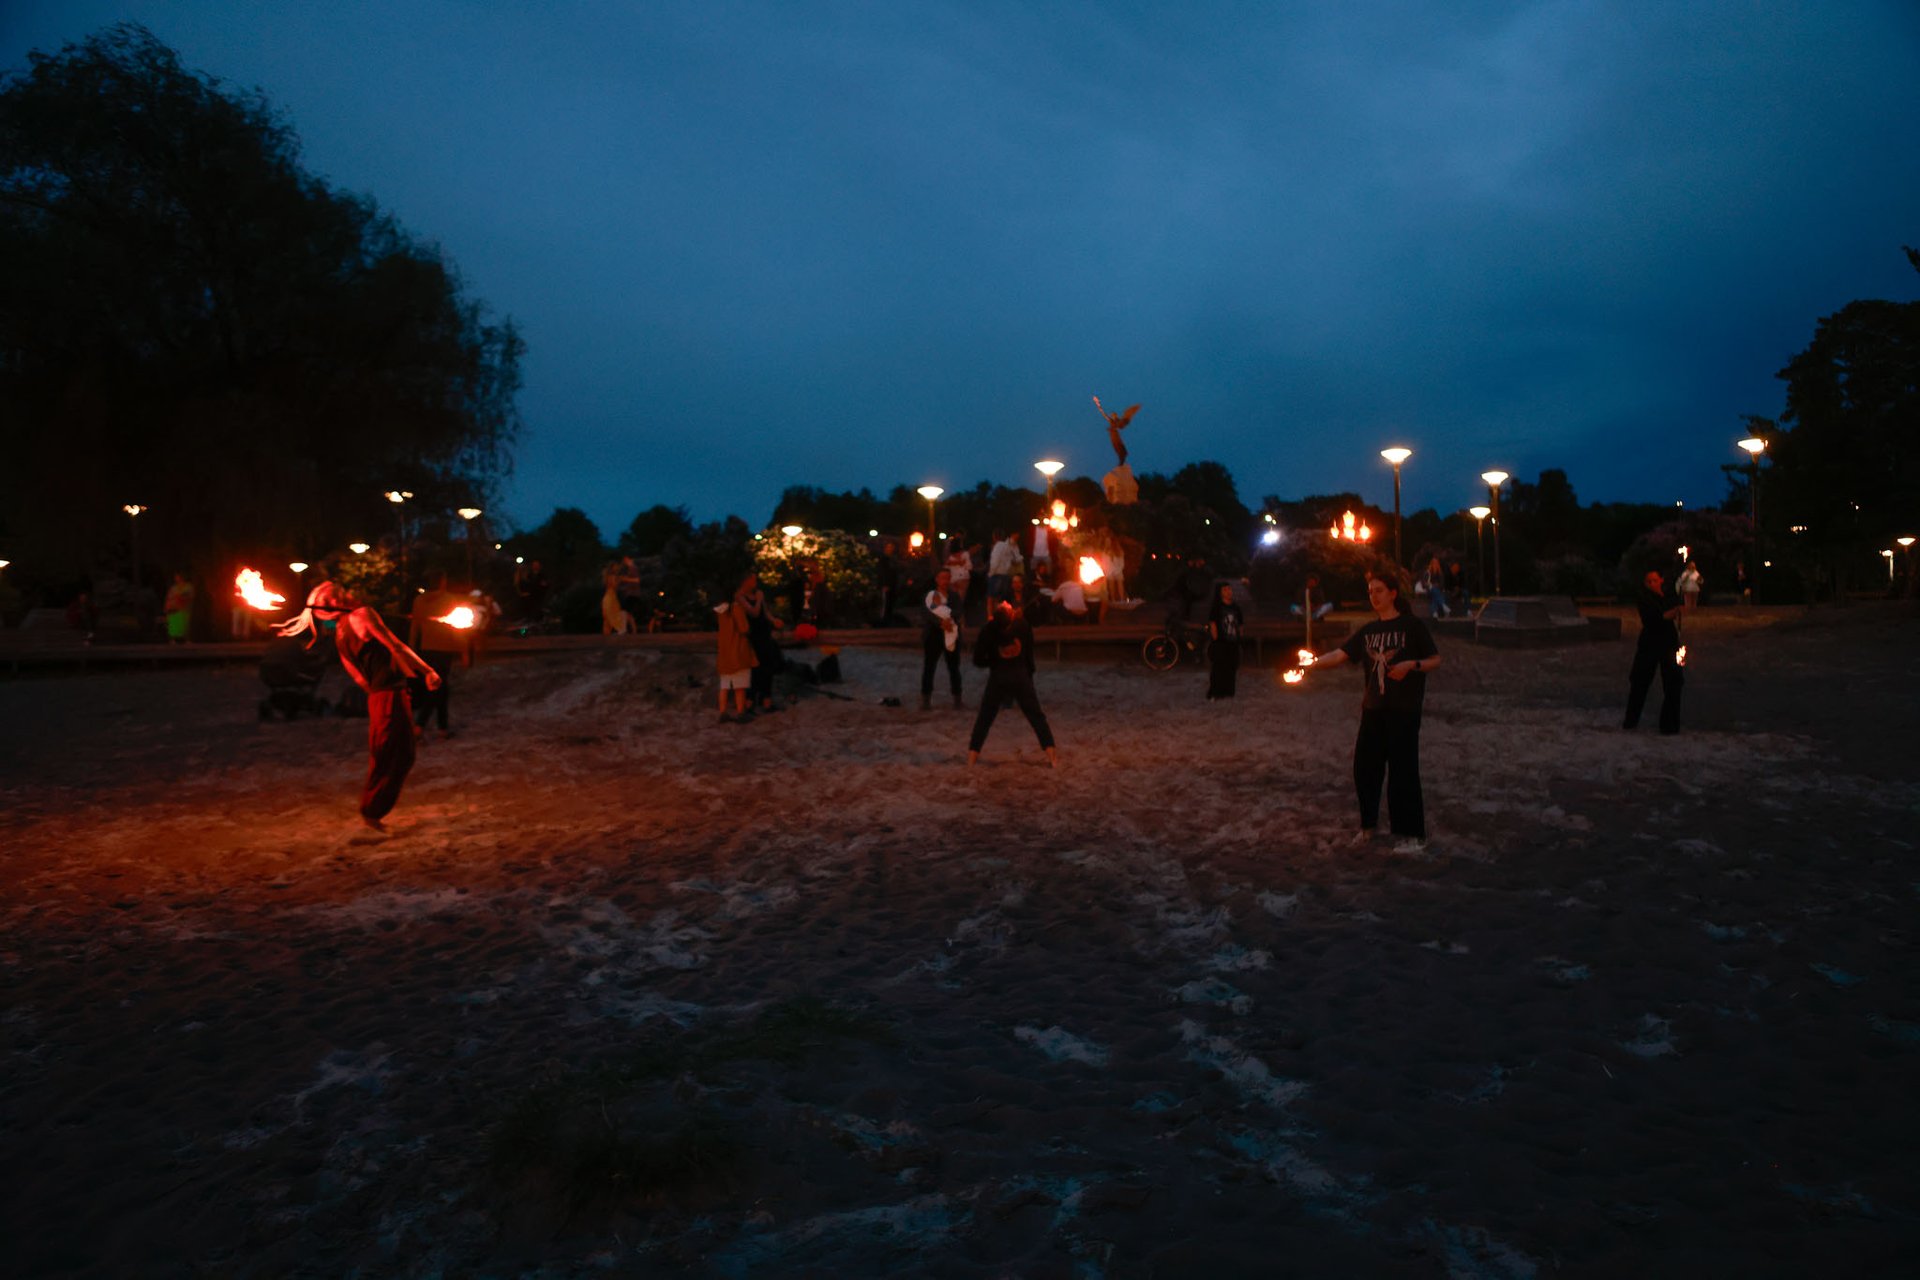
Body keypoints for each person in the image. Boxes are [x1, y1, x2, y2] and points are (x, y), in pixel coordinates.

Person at [277, 582, 442, 830]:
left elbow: (357, 676)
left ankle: (372, 810)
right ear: (333, 604)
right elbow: (395, 645)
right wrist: (427, 671)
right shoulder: (363, 614)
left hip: (379, 695)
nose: (345, 594)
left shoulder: (340, 631)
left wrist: (379, 693)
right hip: (388, 694)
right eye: (338, 594)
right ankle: (372, 811)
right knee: (398, 754)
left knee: (387, 752)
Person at [1307, 572, 1441, 849]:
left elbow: (1434, 659)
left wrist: (1411, 665)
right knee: (1365, 769)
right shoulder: (1369, 631)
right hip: (1373, 709)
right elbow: (1340, 655)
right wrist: (1311, 663)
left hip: (1403, 710)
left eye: (1379, 590)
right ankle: (1368, 826)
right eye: (1370, 592)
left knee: (1403, 772)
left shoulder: (1412, 626)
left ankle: (1411, 834)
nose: (1374, 596)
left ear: (1393, 593)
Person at [967, 594, 1057, 767]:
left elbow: (977, 660)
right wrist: (1029, 676)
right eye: (1006, 606)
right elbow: (1029, 655)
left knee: (985, 718)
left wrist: (994, 661)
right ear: (1011, 616)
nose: (1006, 602)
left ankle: (971, 758)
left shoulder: (989, 629)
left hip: (998, 678)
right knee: (1036, 716)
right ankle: (1052, 757)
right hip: (1020, 677)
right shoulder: (1022, 626)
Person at [1623, 568, 1685, 735]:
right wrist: (1673, 612)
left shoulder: (1667, 596)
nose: (1652, 583)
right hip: (1650, 644)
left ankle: (1669, 725)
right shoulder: (1645, 599)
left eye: (1655, 580)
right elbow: (1657, 617)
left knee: (1673, 682)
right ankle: (1631, 720)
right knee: (1640, 682)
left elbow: (1674, 607)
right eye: (1649, 581)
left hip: (1669, 643)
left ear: (1660, 581)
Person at [408, 571, 468, 738]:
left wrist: (411, 650)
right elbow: (458, 628)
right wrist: (464, 651)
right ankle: (420, 726)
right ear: (442, 582)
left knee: (441, 687)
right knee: (437, 688)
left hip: (425, 649)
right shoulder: (449, 599)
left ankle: (443, 728)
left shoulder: (419, 600)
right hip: (444, 649)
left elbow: (414, 627)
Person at [733, 572, 785, 713]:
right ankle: (750, 701)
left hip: (764, 635)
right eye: (752, 580)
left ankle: (766, 700)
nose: (755, 583)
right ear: (745, 581)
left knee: (768, 666)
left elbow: (765, 612)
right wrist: (758, 600)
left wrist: (774, 620)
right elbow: (754, 613)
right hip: (753, 637)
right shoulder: (740, 596)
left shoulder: (758, 594)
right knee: (756, 668)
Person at [920, 568, 964, 710]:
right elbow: (926, 613)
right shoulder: (930, 596)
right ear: (937, 579)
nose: (945, 581)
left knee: (954, 667)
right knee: (929, 667)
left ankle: (957, 698)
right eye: (942, 578)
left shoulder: (954, 596)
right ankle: (926, 699)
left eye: (947, 578)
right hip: (934, 635)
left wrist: (948, 619)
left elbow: (958, 611)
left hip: (950, 632)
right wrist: (940, 622)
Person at [715, 584, 758, 722]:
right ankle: (740, 713)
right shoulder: (736, 608)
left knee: (724, 686)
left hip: (725, 652)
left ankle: (723, 712)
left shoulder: (720, 611)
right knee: (740, 687)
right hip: (738, 650)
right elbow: (744, 628)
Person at [1205, 582, 1243, 700]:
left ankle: (1228, 691)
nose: (1228, 592)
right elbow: (1213, 624)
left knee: (1232, 667)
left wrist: (1239, 637)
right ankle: (1216, 692)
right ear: (1220, 592)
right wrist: (1216, 639)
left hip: (1233, 641)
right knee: (1218, 668)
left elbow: (1240, 624)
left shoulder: (1235, 607)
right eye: (1225, 590)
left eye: (1229, 589)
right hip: (1221, 642)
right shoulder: (1217, 607)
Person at [602, 557, 638, 634]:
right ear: (612, 568)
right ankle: (620, 630)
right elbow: (614, 586)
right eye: (616, 567)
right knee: (612, 616)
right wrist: (620, 581)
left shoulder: (609, 576)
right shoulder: (612, 576)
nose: (617, 568)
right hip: (610, 598)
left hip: (609, 597)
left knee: (608, 617)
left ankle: (607, 634)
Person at [986, 530, 1017, 601]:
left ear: (994, 537)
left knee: (991, 599)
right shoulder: (1007, 546)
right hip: (1005, 575)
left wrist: (990, 573)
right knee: (1000, 599)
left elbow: (995, 561)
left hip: (996, 575)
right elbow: (1013, 560)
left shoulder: (997, 546)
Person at [164, 571, 194, 643]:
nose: (177, 578)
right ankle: (173, 639)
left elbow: (189, 596)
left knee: (184, 624)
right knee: (173, 624)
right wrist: (167, 606)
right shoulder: (173, 588)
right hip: (174, 608)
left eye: (178, 576)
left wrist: (181, 597)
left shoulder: (188, 586)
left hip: (184, 609)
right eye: (176, 577)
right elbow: (169, 597)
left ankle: (186, 639)